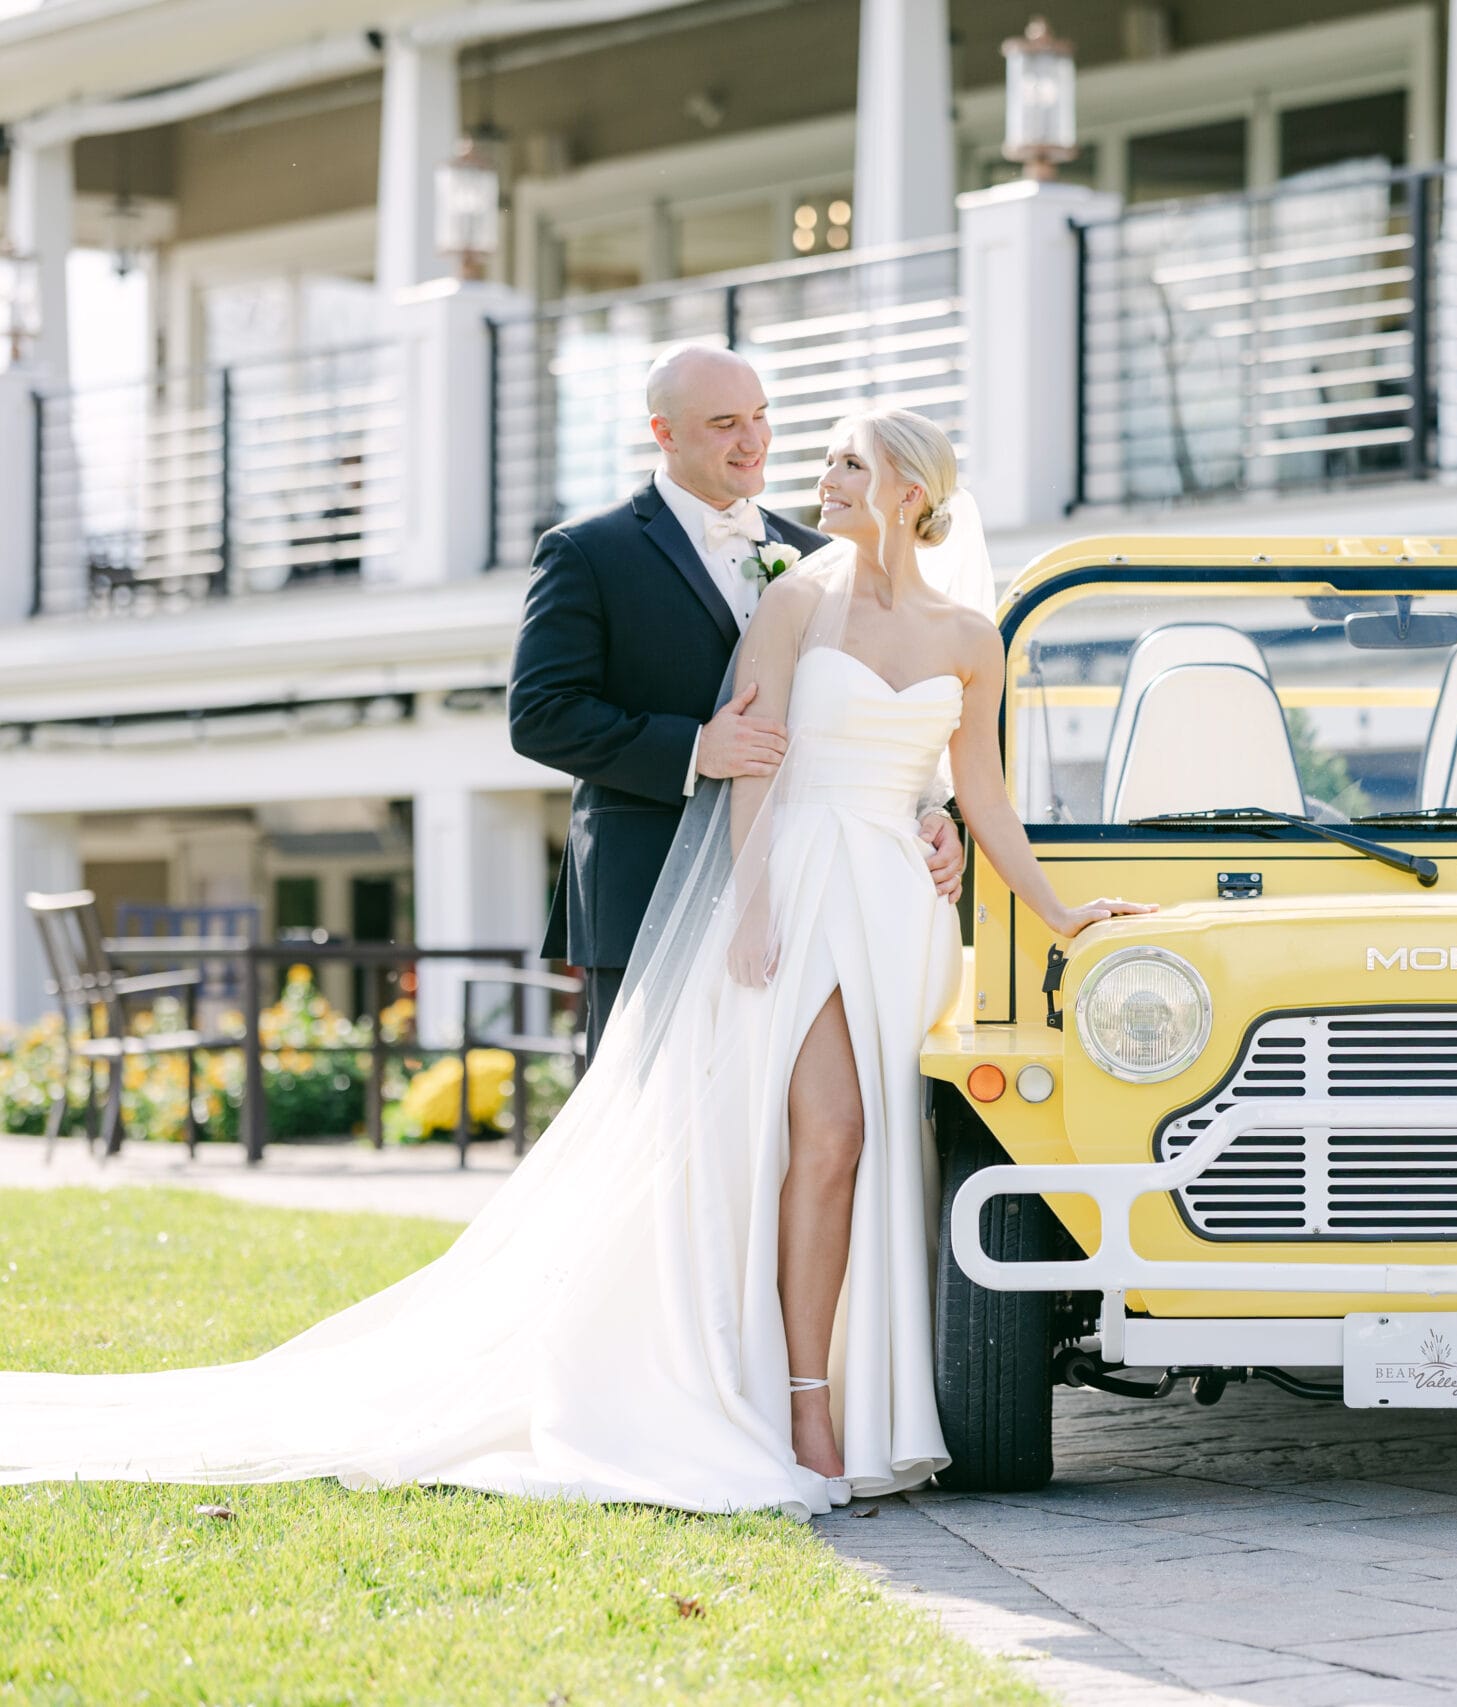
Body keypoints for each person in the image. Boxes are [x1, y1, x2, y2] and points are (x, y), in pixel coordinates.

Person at [0, 408, 1150, 1516]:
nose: (820, 477)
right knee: (827, 1137)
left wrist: (1052, 910)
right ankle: (804, 1408)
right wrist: (748, 906)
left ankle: (870, 1397)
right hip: (798, 886)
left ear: (908, 487)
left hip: (900, 910)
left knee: (881, 1148)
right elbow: (752, 764)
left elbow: (979, 791)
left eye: (847, 463)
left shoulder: (968, 635)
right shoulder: (797, 602)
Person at [507, 344, 966, 1061]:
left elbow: (870, 706)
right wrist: (695, 748)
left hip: (800, 900)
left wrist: (932, 808)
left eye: (760, 416)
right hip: (645, 891)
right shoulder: (587, 552)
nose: (753, 441)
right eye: (725, 423)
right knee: (646, 1133)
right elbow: (539, 713)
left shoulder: (822, 550)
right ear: (665, 433)